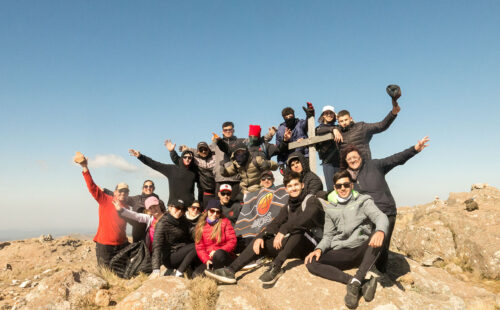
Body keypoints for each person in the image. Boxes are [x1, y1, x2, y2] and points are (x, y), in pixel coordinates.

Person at [205, 172, 324, 287]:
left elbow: (304, 219)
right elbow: (274, 224)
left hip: (311, 245)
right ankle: (231, 270)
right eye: (290, 186)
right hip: (294, 245)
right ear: (286, 189)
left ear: (302, 185)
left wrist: (283, 230)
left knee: (298, 230)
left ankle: (276, 267)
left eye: (296, 185)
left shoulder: (312, 200)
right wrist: (260, 237)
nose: (293, 188)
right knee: (260, 241)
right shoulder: (288, 206)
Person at [339, 136, 430, 273]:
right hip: (366, 216)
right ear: (346, 161)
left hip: (386, 212)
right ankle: (371, 267)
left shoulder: (374, 165)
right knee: (365, 244)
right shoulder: (347, 178)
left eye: (354, 156)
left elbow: (395, 159)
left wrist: (415, 149)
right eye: (349, 158)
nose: (353, 160)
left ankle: (382, 272)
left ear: (360, 157)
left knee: (380, 246)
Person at [305, 170, 389, 309]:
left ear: (351, 185)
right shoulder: (331, 209)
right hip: (342, 252)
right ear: (335, 187)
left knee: (379, 233)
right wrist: (319, 249)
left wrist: (380, 231)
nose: (342, 188)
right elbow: (328, 236)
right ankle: (356, 282)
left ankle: (358, 276)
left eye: (346, 184)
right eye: (339, 186)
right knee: (311, 262)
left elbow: (381, 217)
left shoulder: (363, 201)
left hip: (362, 249)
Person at [73, 152, 129, 267]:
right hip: (105, 246)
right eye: (120, 191)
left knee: (121, 275)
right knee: (105, 274)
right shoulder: (105, 199)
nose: (123, 193)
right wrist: (84, 167)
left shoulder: (127, 207)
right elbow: (92, 187)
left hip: (121, 245)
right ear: (115, 192)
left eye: (126, 191)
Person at [336, 94, 401, 163]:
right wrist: (333, 129)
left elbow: (381, 125)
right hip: (349, 168)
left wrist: (393, 113)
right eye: (341, 121)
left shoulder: (361, 127)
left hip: (365, 165)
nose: (344, 123)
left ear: (351, 118)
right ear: (339, 122)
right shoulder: (338, 133)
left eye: (346, 120)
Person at [129, 145, 197, 205]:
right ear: (182, 158)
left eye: (190, 158)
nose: (187, 159)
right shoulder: (172, 169)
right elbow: (155, 164)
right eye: (185, 157)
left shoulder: (194, 172)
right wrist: (140, 156)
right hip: (174, 206)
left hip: (190, 206)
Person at [149, 199, 197, 278]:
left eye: (182, 209)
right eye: (177, 208)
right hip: (170, 257)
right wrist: (156, 269)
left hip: (182, 252)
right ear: (170, 208)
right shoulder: (162, 223)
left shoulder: (183, 220)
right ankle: (179, 273)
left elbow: (192, 231)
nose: (180, 211)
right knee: (195, 246)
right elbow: (157, 246)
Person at [194, 199, 237, 276]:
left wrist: (217, 251)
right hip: (210, 259)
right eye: (212, 211)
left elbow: (232, 241)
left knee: (219, 254)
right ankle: (215, 272)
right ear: (207, 211)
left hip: (224, 255)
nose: (214, 214)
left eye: (218, 212)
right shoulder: (200, 225)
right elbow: (199, 247)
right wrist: (206, 260)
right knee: (196, 275)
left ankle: (217, 273)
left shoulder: (225, 222)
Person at [167, 140, 216, 207]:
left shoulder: (215, 156)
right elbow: (180, 161)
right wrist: (172, 151)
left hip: (217, 188)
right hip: (204, 190)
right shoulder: (194, 160)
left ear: (208, 149)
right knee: (203, 210)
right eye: (201, 150)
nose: (203, 151)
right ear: (198, 151)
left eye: (205, 149)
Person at [275, 104, 315, 170]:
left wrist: (309, 115)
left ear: (293, 115)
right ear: (283, 118)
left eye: (290, 116)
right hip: (290, 160)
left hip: (304, 156)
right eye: (286, 117)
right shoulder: (280, 130)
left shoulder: (300, 123)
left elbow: (307, 123)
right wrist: (281, 163)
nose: (288, 118)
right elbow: (279, 149)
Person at [211, 121, 243, 201]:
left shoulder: (240, 142)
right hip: (220, 178)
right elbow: (203, 151)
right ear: (222, 131)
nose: (228, 131)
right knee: (219, 205)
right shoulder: (216, 143)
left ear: (233, 130)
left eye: (230, 129)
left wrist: (269, 135)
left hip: (235, 178)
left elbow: (254, 139)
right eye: (225, 130)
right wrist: (187, 149)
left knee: (235, 204)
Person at [315, 105, 341, 192]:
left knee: (341, 186)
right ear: (323, 115)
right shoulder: (319, 128)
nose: (329, 115)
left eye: (331, 113)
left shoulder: (338, 127)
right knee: (331, 189)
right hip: (327, 162)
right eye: (326, 113)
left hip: (339, 162)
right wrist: (333, 129)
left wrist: (339, 117)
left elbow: (351, 125)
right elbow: (319, 131)